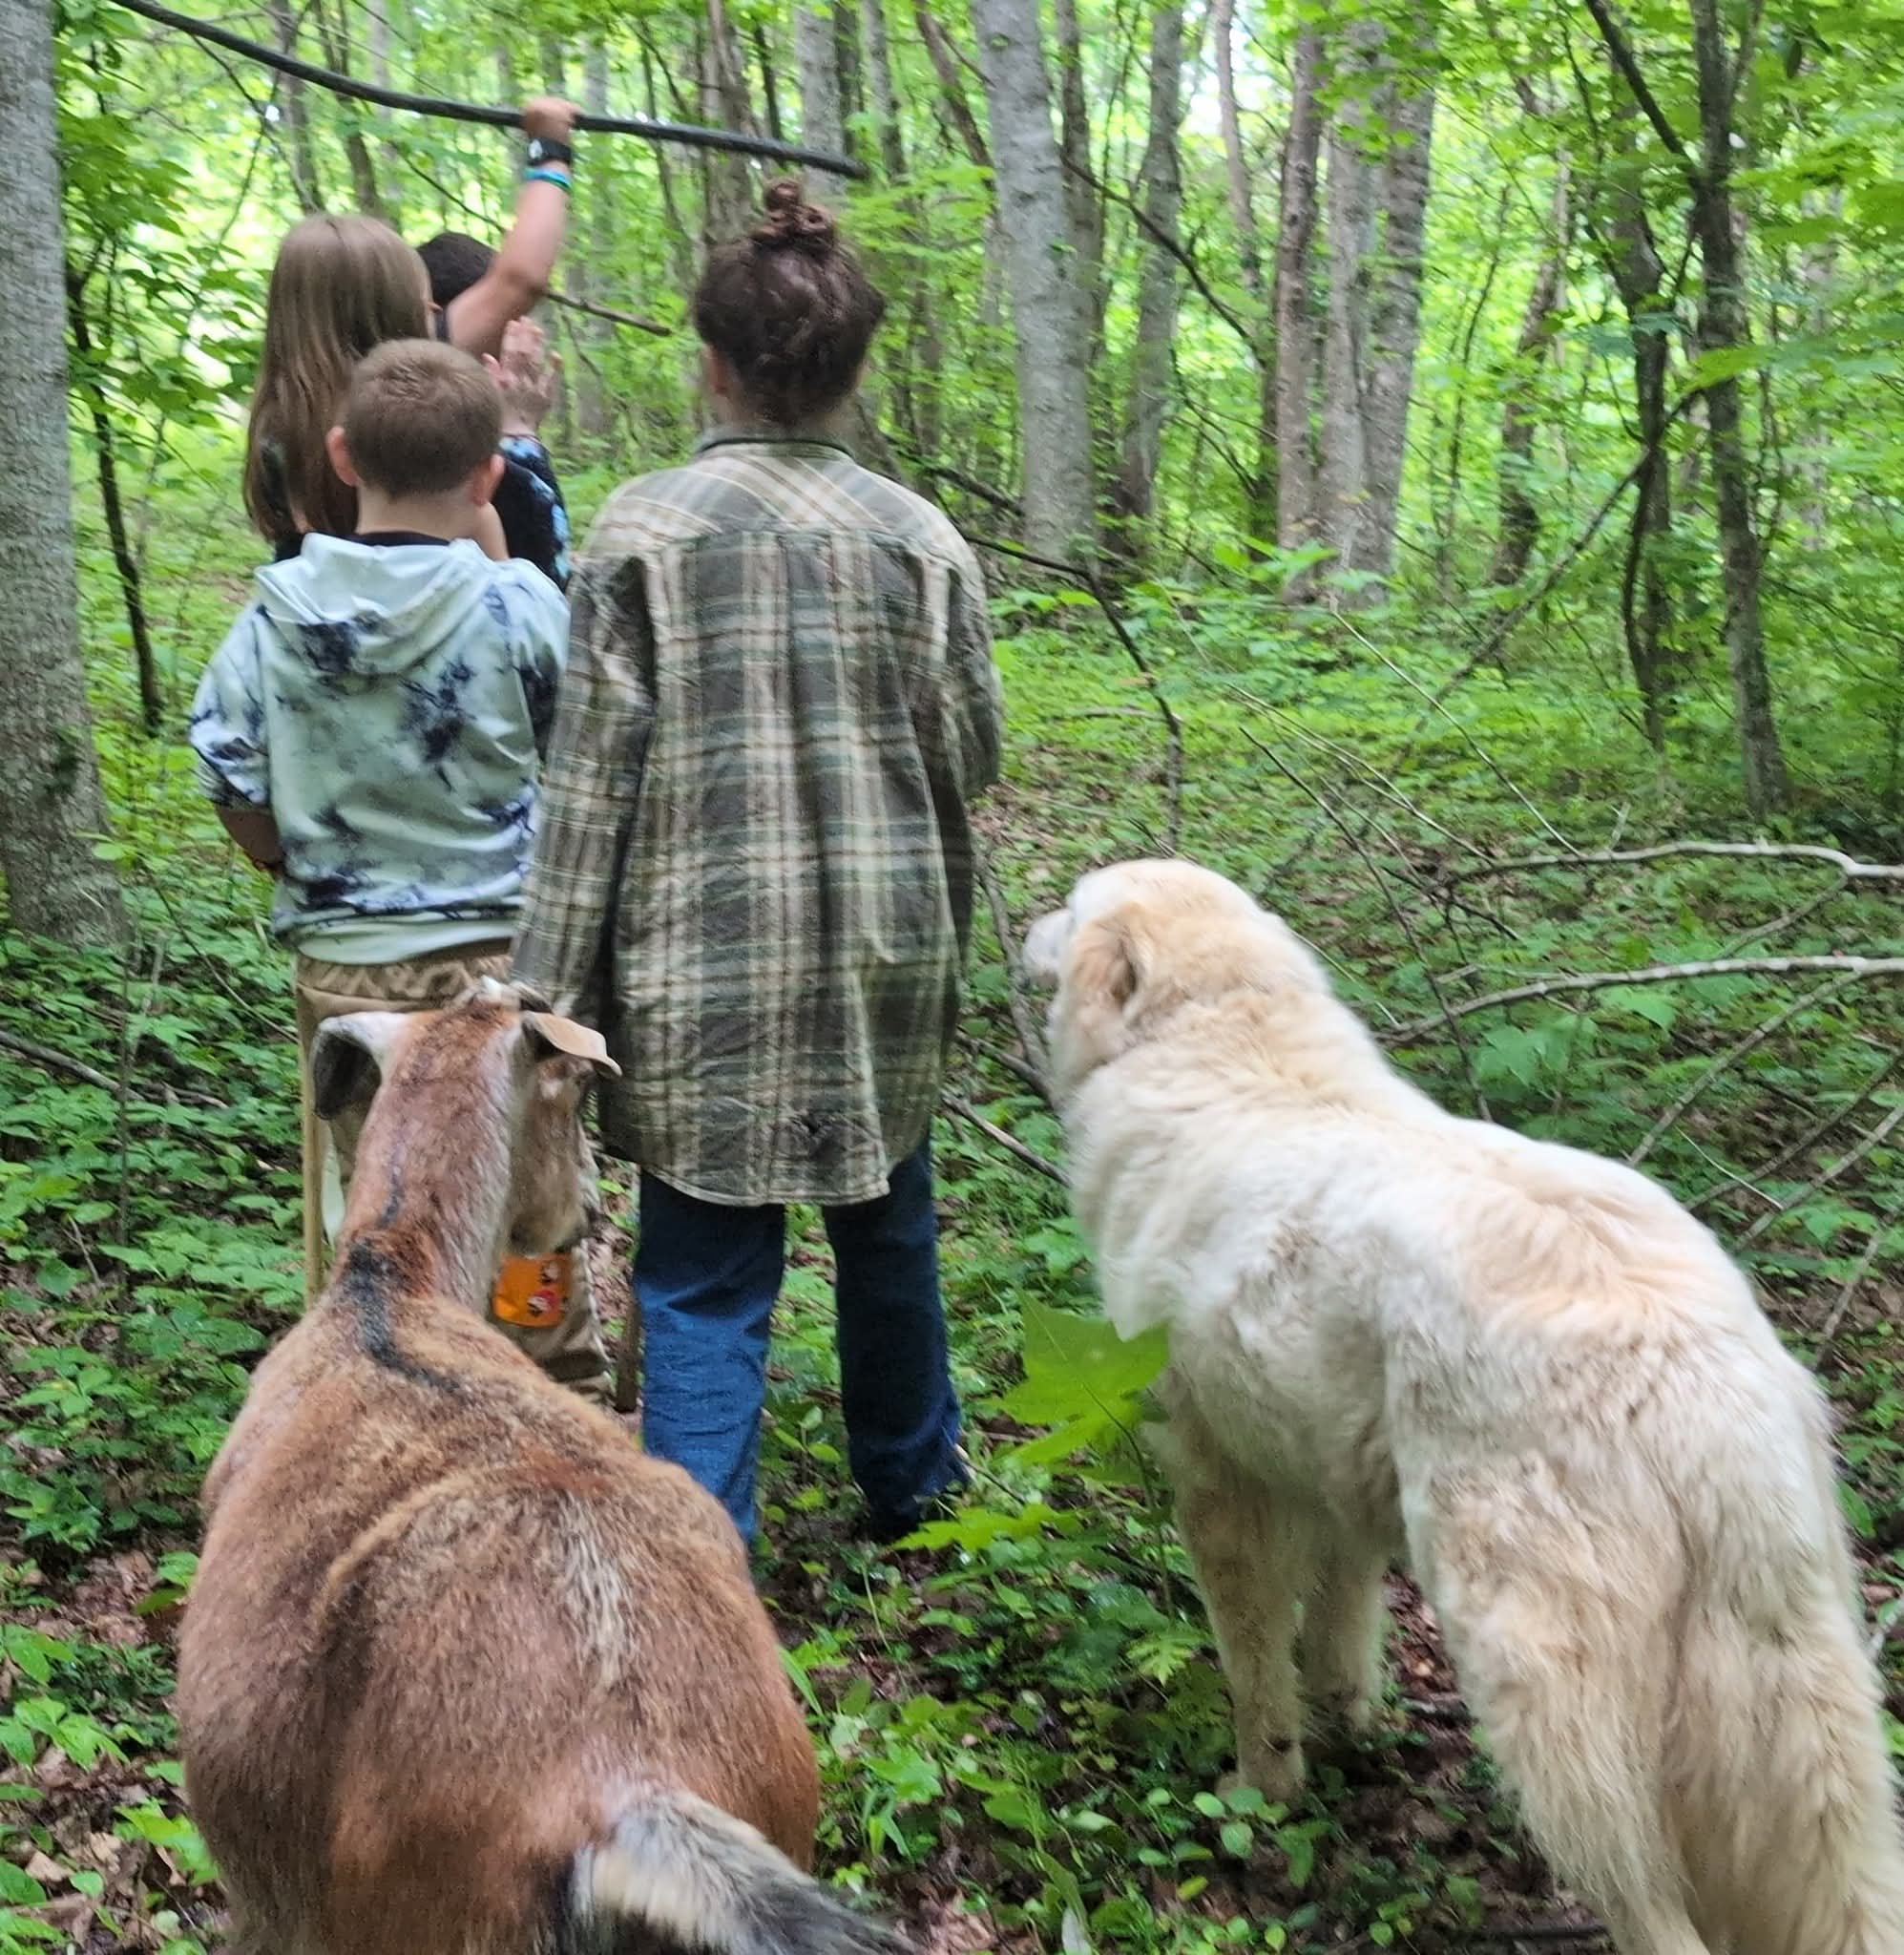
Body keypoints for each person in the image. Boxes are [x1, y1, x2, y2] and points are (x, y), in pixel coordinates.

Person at [513, 179, 1005, 1545]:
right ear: (854, 369)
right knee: (886, 1232)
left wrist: (538, 997)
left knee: (703, 1277)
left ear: (712, 361)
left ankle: (701, 1552)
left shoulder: (640, 532)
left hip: (696, 963)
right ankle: (917, 1494)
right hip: (879, 956)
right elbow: (970, 751)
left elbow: (587, 783)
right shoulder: (921, 540)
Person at [192, 338, 614, 1398]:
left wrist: (290, 855)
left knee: (369, 1213)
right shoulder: (520, 606)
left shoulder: (271, 619)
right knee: (531, 1206)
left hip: (345, 969)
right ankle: (549, 1390)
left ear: (341, 455)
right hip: (497, 973)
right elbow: (583, 760)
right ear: (486, 478)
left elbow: (231, 772)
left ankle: (380, 1397)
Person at [241, 98, 577, 583]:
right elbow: (521, 277)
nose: (436, 311)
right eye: (421, 299)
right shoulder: (408, 388)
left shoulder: (279, 421)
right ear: (386, 312)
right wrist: (551, 149)